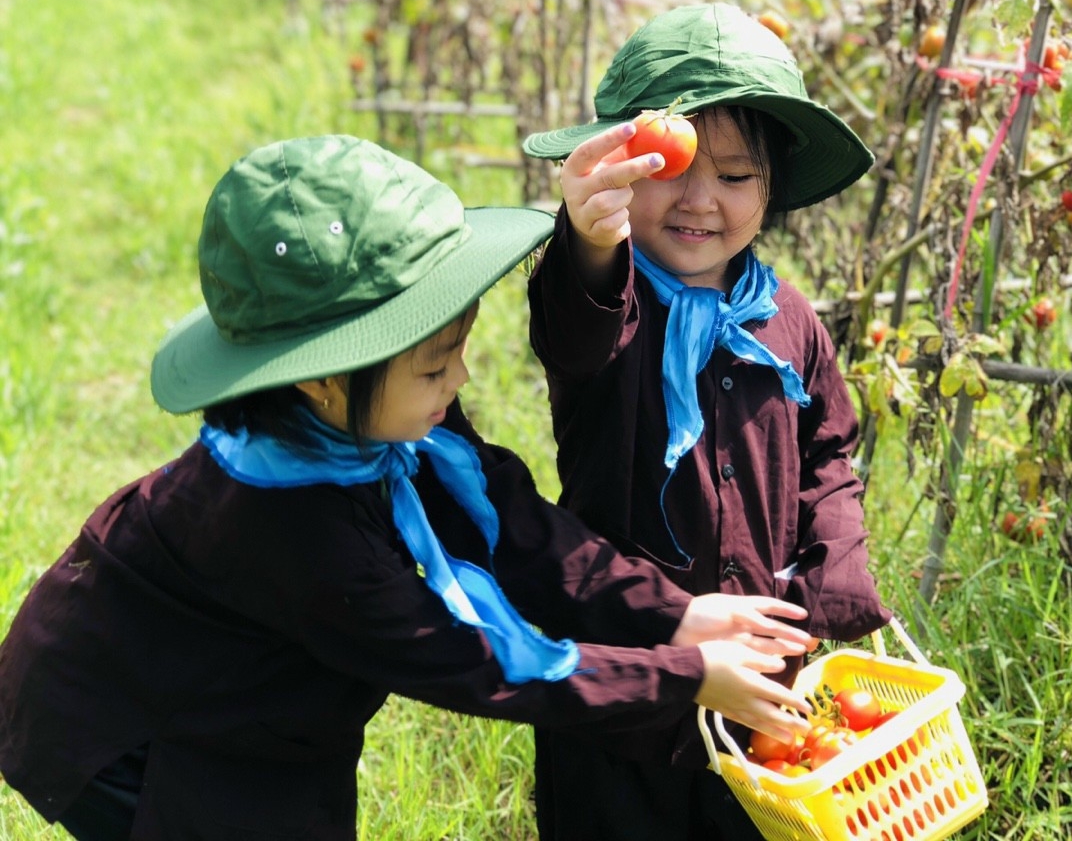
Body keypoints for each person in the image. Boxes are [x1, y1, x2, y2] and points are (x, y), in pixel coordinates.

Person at [0, 134, 823, 840]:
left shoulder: (375, 421)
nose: (460, 376)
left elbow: (509, 521)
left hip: (258, 691)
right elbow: (473, 662)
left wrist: (674, 614)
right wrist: (683, 675)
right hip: (131, 726)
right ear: (323, 382)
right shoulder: (289, 530)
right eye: (436, 366)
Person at [522, 3, 892, 841]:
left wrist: (827, 590)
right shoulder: (607, 301)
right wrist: (586, 238)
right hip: (622, 678)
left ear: (773, 190)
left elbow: (829, 456)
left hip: (759, 693)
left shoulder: (790, 322)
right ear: (621, 174)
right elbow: (571, 330)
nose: (700, 201)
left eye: (734, 176)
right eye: (668, 168)